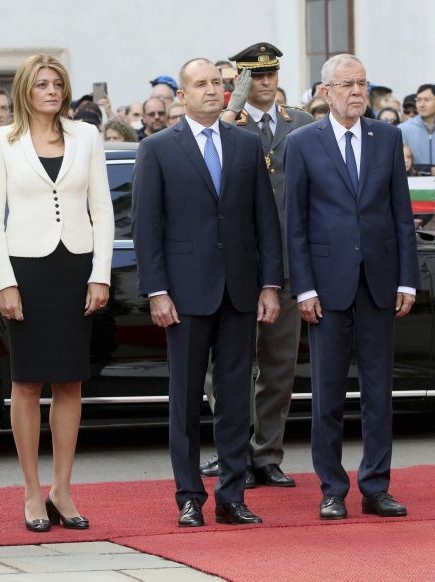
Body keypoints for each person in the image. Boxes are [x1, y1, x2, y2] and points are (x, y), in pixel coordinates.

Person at [132, 57, 283, 527]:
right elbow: (146, 227)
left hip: (239, 292)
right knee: (185, 401)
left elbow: (265, 220)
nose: (212, 90)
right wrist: (157, 291)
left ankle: (232, 495)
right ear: (182, 95)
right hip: (184, 294)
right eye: (201, 84)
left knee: (236, 399)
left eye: (217, 82)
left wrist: (270, 285)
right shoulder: (158, 148)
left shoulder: (245, 144)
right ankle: (189, 496)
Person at [0, 54, 114, 533]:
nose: (52, 91)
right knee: (27, 382)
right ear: (25, 90)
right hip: (27, 270)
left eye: (57, 83)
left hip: (75, 267)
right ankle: (32, 491)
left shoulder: (87, 136)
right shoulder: (2, 141)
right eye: (42, 84)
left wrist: (100, 274)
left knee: (70, 381)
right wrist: (5, 281)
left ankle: (62, 488)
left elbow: (103, 209)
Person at [285, 53, 419, 521]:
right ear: (326, 92)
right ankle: (332, 488)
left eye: (362, 83)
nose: (358, 91)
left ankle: (376, 486)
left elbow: (402, 214)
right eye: (347, 84)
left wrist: (407, 278)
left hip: (379, 282)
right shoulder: (303, 143)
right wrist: (303, 288)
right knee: (328, 395)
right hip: (327, 287)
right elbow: (295, 223)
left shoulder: (387, 138)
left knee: (379, 393)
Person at [201, 42, 312, 489]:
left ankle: (267, 453)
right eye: (255, 75)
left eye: (270, 74)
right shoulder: (225, 122)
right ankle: (233, 452)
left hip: (285, 266)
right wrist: (233, 107)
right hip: (237, 267)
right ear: (240, 79)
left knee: (278, 368)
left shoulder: (300, 123)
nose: (265, 82)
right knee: (227, 369)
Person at [398, 83, 435, 180]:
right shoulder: (402, 129)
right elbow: (399, 164)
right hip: (411, 186)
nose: (421, 105)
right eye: (418, 100)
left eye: (427, 100)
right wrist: (431, 170)